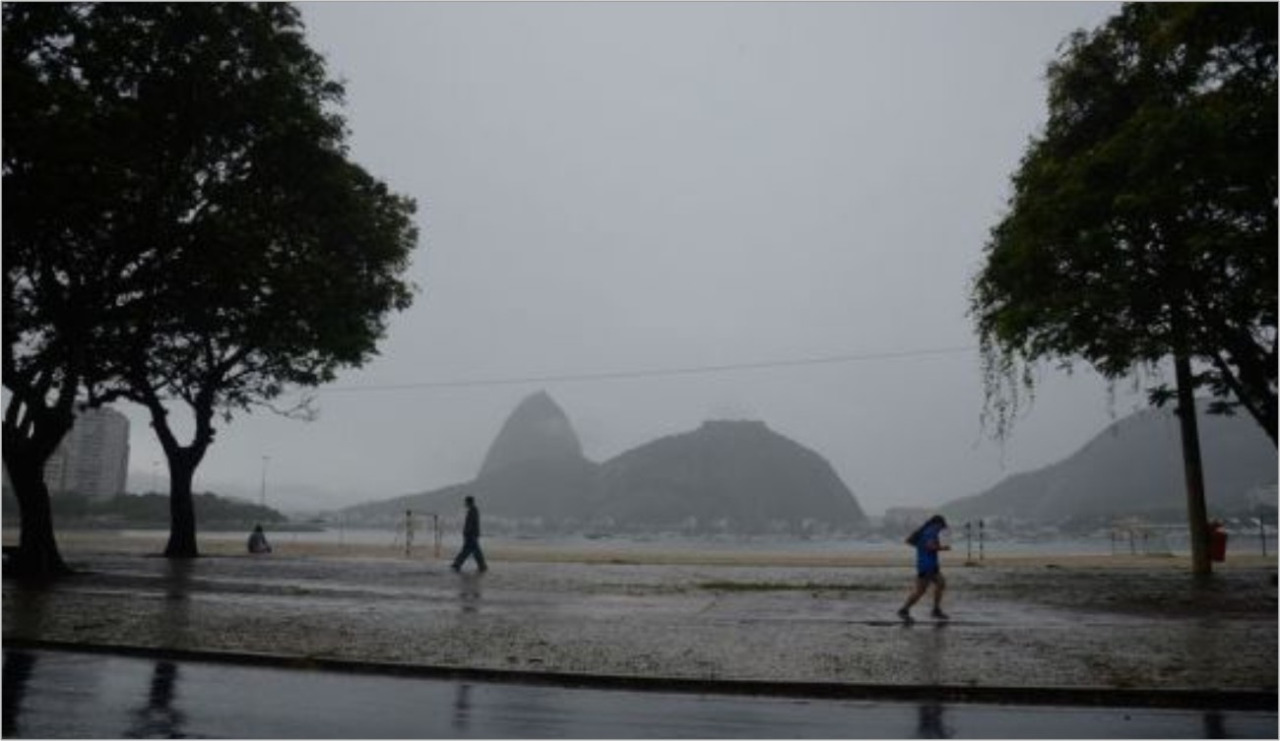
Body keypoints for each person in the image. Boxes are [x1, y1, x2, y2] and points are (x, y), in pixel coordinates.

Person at [898, 514, 949, 622]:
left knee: (941, 583)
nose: (942, 528)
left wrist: (920, 548)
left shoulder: (924, 531)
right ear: (937, 524)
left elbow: (909, 541)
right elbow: (930, 546)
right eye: (941, 525)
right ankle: (904, 609)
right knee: (920, 590)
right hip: (927, 566)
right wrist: (943, 548)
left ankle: (936, 609)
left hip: (928, 564)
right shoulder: (931, 531)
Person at [450, 496, 487, 573]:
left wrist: (466, 533)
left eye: (466, 502)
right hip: (472, 534)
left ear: (469, 502)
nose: (465, 503)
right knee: (474, 551)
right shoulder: (473, 510)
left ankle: (457, 564)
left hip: (471, 535)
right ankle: (482, 566)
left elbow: (470, 524)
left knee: (467, 551)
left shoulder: (472, 511)